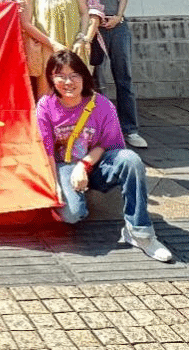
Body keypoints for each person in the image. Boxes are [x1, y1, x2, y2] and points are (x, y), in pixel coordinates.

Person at [36, 51, 172, 262]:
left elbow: (107, 144)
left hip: (96, 164)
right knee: (71, 215)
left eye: (74, 75)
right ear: (51, 79)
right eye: (60, 76)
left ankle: (140, 232)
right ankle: (76, 196)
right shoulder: (45, 106)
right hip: (63, 167)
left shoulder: (101, 105)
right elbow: (46, 153)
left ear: (84, 76)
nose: (68, 82)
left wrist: (83, 165)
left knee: (130, 160)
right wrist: (55, 188)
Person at [79, 0, 147, 149]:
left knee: (124, 77)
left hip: (117, 26)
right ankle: (100, 128)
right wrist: (92, 21)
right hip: (94, 26)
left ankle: (130, 129)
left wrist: (118, 16)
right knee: (96, 79)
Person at [21, 0, 90, 97]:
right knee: (48, 95)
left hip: (74, 47)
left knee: (76, 94)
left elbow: (84, 12)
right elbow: (26, 23)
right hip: (48, 51)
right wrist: (53, 44)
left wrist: (82, 37)